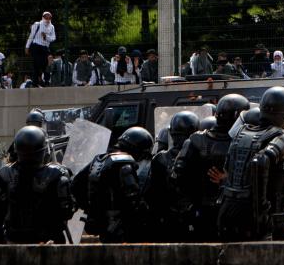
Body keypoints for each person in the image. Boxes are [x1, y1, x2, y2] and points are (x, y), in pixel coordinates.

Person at [217, 87, 284, 241]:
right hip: (262, 220)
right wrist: (261, 210)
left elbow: (228, 170)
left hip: (228, 214)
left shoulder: (240, 133)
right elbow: (261, 161)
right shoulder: (282, 137)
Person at [171, 93, 249, 240]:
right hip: (224, 212)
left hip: (208, 211)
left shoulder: (195, 140)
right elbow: (178, 176)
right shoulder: (244, 143)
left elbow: (177, 177)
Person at [0, 126, 74, 244]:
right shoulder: (58, 175)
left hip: (13, 241)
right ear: (43, 151)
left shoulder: (3, 175)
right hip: (49, 242)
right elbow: (67, 212)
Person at [72, 127, 154, 243]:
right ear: (137, 150)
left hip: (101, 226)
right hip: (121, 230)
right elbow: (133, 199)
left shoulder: (99, 160)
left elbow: (75, 186)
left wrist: (92, 210)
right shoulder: (124, 164)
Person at [146, 110, 200, 241]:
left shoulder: (159, 158)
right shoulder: (198, 156)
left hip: (166, 218)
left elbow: (153, 194)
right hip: (192, 216)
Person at [25, 11, 56, 87]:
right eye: (46, 17)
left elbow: (53, 38)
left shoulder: (52, 27)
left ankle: (46, 81)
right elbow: (31, 36)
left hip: (45, 47)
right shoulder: (37, 24)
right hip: (36, 46)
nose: (48, 19)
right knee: (36, 65)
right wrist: (27, 47)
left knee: (47, 65)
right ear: (43, 17)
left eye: (49, 17)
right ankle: (35, 83)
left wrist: (46, 37)